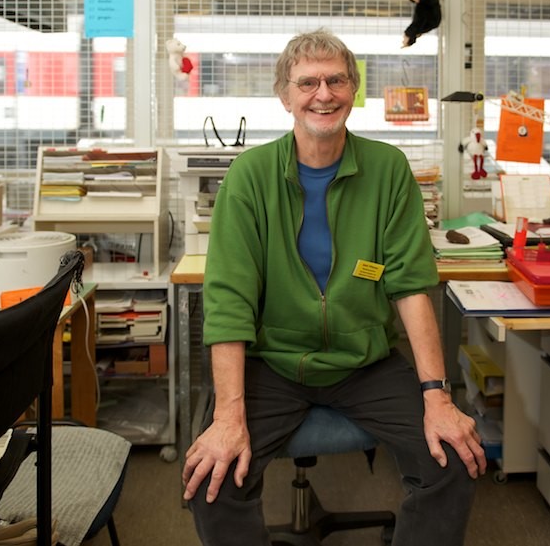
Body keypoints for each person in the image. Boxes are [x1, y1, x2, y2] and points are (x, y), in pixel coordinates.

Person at [182, 29, 484, 546]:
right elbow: (228, 303)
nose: (324, 93)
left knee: (454, 460)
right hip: (274, 362)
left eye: (336, 80)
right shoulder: (249, 178)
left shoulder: (388, 170)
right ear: (285, 96)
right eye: (308, 83)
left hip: (364, 361)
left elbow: (412, 288)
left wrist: (438, 396)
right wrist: (228, 415)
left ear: (353, 89)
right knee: (211, 477)